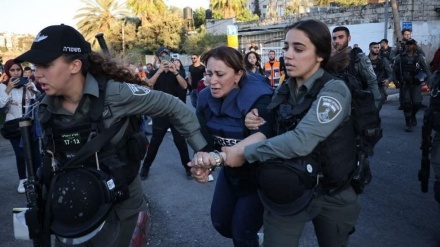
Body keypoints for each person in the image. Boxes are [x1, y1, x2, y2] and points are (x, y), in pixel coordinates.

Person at [14, 24, 207, 246]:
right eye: (35, 66)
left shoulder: (115, 93)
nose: (37, 73)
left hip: (120, 205)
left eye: (45, 65)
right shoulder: (44, 108)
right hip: (73, 204)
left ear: (75, 65)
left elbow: (171, 105)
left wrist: (201, 151)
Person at [192, 19, 361, 247]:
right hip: (288, 187)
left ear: (320, 54)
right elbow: (266, 125)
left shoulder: (334, 90)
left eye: (298, 49)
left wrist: (240, 154)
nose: (287, 55)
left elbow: (302, 141)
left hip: (331, 192)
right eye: (286, 47)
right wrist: (252, 121)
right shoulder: (283, 89)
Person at [189, 46, 273, 246]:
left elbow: (265, 136)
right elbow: (205, 142)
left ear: (238, 75)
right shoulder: (204, 99)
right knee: (221, 224)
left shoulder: (258, 99)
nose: (213, 81)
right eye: (209, 74)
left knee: (241, 233)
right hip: (231, 173)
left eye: (220, 74)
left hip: (260, 176)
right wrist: (202, 162)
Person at [139, 46, 194, 180]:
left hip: (175, 112)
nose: (164, 58)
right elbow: (149, 85)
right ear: (158, 58)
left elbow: (185, 86)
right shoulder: (154, 73)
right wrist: (159, 71)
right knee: (155, 142)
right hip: (160, 113)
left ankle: (188, 167)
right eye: (161, 56)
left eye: (166, 56)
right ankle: (146, 167)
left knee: (180, 141)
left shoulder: (177, 70)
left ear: (170, 57)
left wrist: (175, 72)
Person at [0, 59, 41, 193]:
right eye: (12, 70)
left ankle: (37, 178)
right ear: (8, 71)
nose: (16, 73)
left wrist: (32, 89)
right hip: (13, 125)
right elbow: (0, 105)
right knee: (20, 154)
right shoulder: (2, 87)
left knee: (35, 154)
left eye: (18, 70)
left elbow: (39, 101)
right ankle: (23, 180)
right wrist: (9, 88)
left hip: (30, 123)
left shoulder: (28, 83)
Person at [332, 26, 382, 108]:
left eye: (341, 37)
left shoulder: (358, 58)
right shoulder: (331, 59)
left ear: (349, 38)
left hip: (354, 104)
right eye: (334, 38)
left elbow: (372, 82)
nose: (337, 41)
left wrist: (373, 110)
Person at [393, 39, 431, 132]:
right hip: (405, 84)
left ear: (414, 45)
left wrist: (428, 83)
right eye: (408, 44)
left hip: (416, 84)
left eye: (411, 44)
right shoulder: (400, 57)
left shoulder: (419, 57)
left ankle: (413, 115)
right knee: (406, 105)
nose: (409, 46)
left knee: (417, 104)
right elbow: (394, 70)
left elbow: (427, 70)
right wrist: (395, 81)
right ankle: (408, 123)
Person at [368, 42, 393, 111]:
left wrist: (388, 80)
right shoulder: (365, 61)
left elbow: (390, 73)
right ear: (370, 49)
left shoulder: (383, 60)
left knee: (376, 108)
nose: (377, 49)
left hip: (379, 87)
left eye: (378, 48)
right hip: (367, 87)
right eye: (375, 48)